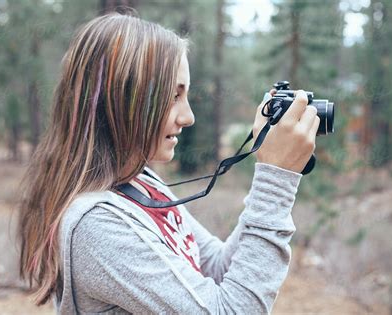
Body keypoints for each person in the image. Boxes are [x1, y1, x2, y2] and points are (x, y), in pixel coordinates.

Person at [17, 11, 319, 314]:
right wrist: (276, 181)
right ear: (121, 101)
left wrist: (274, 166)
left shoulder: (140, 181)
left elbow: (214, 266)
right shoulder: (95, 225)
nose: (188, 117)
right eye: (173, 96)